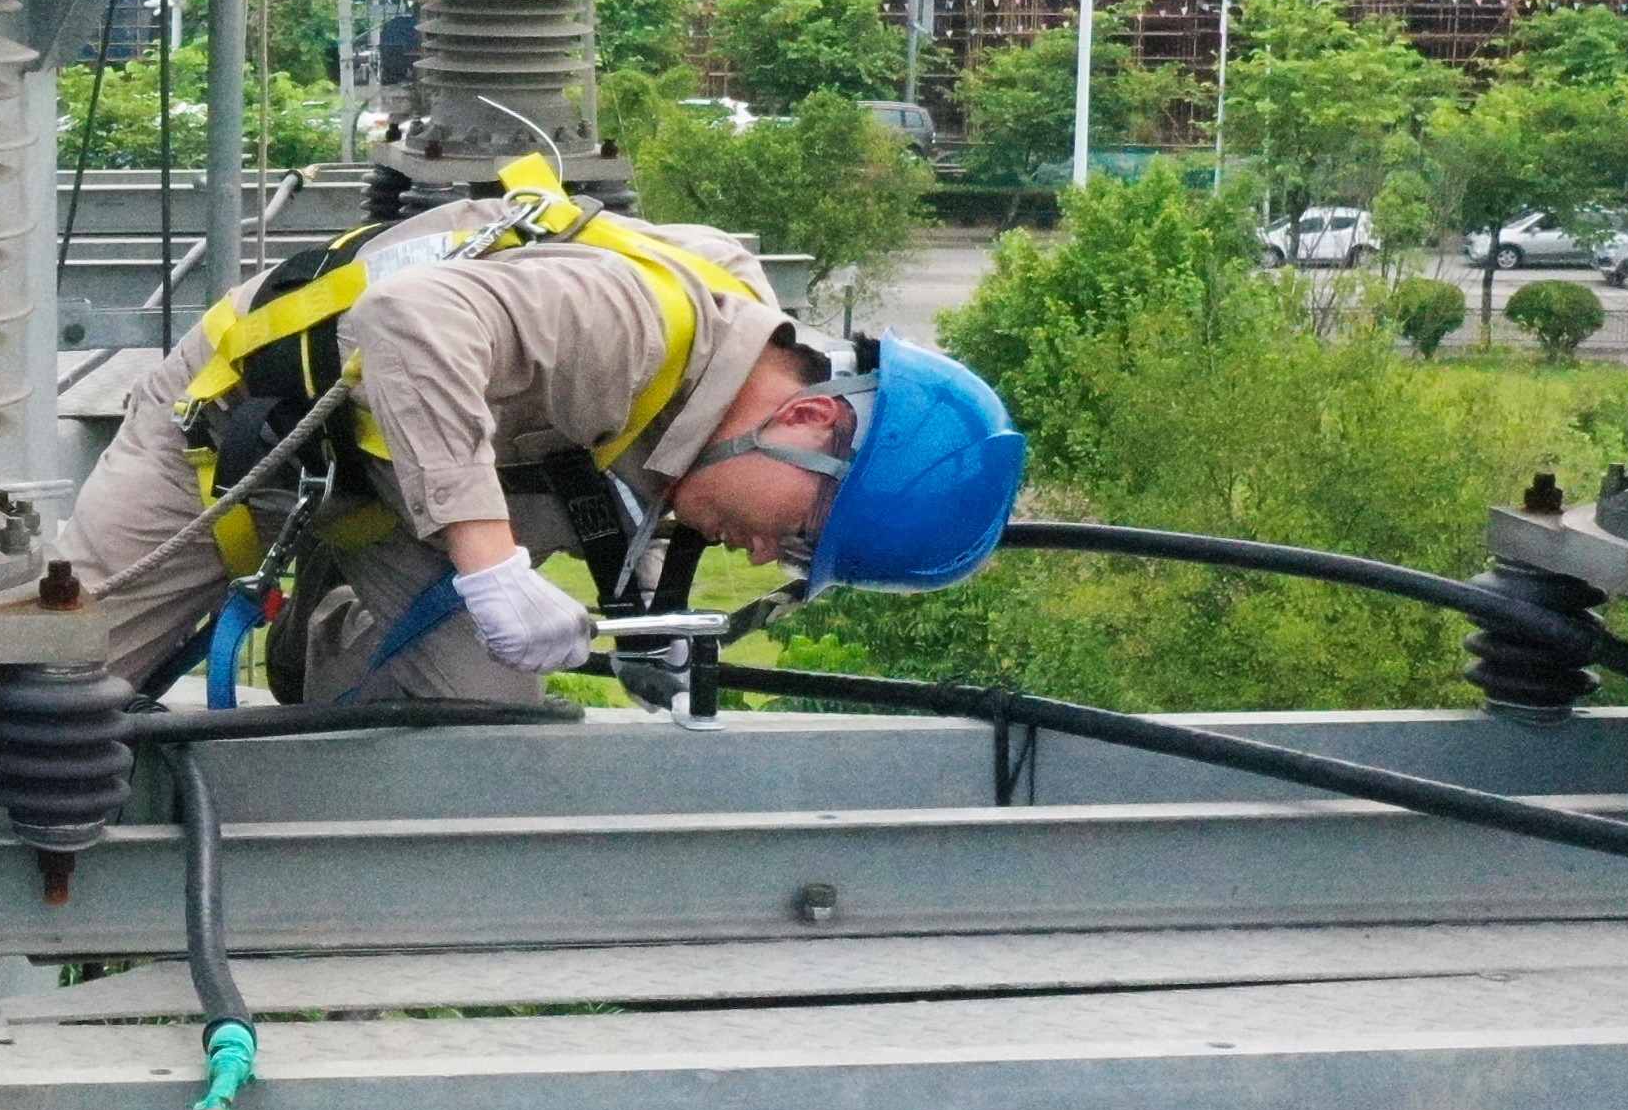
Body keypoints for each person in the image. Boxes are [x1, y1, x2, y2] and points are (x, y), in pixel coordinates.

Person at [59, 158, 1026, 704]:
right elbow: (412, 322)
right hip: (233, 437)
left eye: (794, 560)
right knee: (49, 696)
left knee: (472, 710)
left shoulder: (733, 377)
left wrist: (647, 598)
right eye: (801, 533)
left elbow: (599, 463)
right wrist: (489, 570)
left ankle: (320, 651)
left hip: (384, 494)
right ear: (809, 417)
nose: (767, 549)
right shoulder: (633, 325)